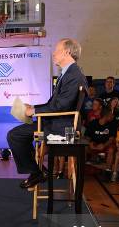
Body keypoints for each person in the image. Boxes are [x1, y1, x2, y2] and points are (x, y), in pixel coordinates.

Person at [7, 38, 88, 189]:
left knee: (15, 135)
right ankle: (37, 171)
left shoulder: (74, 75)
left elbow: (62, 106)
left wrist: (34, 111)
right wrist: (33, 107)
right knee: (18, 134)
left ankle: (36, 172)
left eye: (57, 50)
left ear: (67, 52)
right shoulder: (68, 73)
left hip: (62, 129)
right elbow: (54, 104)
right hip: (57, 123)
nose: (54, 54)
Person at [84, 105, 116, 175]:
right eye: (111, 115)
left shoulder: (112, 124)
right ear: (106, 116)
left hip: (105, 145)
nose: (113, 116)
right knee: (84, 147)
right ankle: (83, 168)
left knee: (111, 150)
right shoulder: (93, 123)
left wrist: (104, 145)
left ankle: (108, 171)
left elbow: (111, 139)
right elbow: (86, 137)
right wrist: (90, 143)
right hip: (93, 144)